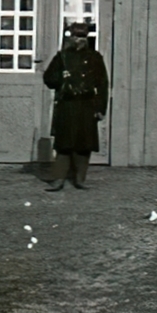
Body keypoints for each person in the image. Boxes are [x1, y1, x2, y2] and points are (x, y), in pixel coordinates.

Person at [42, 20, 110, 191]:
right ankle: (58, 179)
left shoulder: (95, 58)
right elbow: (48, 79)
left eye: (82, 36)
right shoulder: (61, 57)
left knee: (84, 144)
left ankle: (80, 179)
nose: (78, 39)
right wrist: (62, 78)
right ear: (70, 37)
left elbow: (103, 85)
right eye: (75, 36)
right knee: (63, 145)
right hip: (67, 104)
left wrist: (101, 108)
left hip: (87, 105)